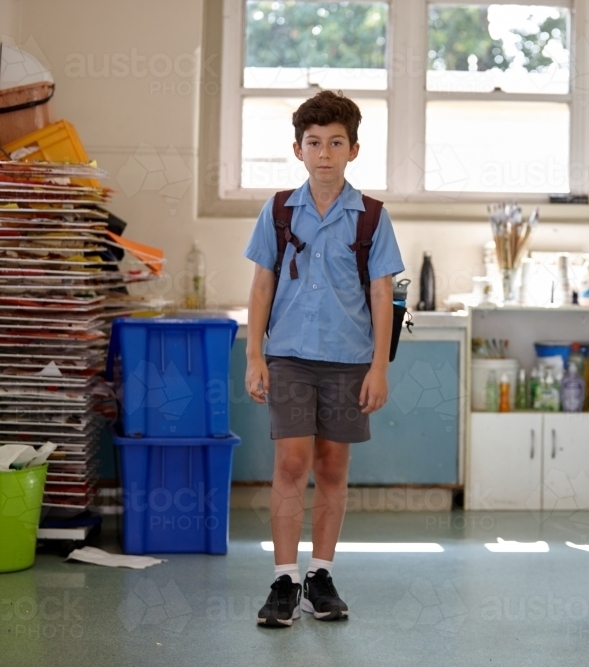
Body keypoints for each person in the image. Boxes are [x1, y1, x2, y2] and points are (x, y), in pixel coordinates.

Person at [243, 90, 404, 628]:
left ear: (354, 150)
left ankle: (321, 576)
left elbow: (381, 294)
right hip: (288, 356)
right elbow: (261, 286)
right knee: (292, 462)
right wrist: (254, 356)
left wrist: (378, 368)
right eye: (314, 143)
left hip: (348, 360)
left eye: (336, 143)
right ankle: (284, 579)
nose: (324, 153)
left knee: (332, 466)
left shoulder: (372, 217)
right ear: (298, 150)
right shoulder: (279, 211)